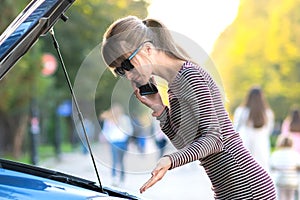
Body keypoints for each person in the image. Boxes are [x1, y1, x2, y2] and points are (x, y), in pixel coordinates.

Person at [101, 16, 276, 199]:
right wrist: (160, 110)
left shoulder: (190, 76)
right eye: (120, 70)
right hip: (229, 190)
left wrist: (170, 160)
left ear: (147, 48)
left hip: (247, 188)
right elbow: (185, 144)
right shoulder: (174, 85)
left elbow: (214, 139)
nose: (128, 75)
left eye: (127, 64)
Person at [233, 86, 274, 172]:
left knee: (243, 167)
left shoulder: (241, 111)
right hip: (261, 141)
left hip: (244, 140)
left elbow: (235, 127)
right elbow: (269, 129)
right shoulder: (267, 113)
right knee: (261, 166)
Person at [100, 104, 133, 186]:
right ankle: (114, 178)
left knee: (121, 161)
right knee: (114, 160)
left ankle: (122, 178)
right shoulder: (109, 120)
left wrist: (125, 135)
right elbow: (105, 131)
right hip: (114, 142)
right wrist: (107, 138)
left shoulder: (124, 119)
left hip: (122, 142)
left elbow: (130, 130)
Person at [270, 136, 300, 200]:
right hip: (293, 181)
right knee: (290, 196)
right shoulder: (295, 154)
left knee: (281, 197)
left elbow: (271, 167)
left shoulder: (275, 154)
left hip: (279, 180)